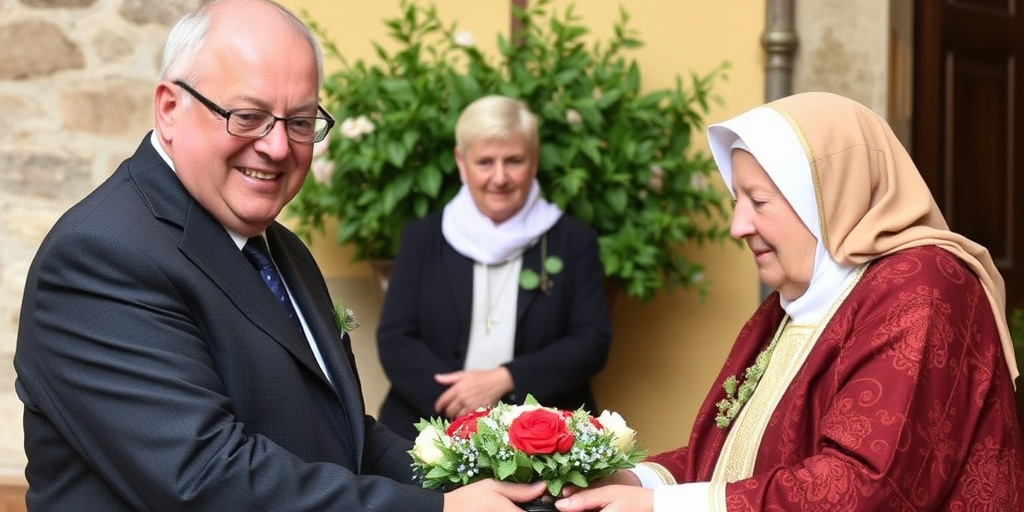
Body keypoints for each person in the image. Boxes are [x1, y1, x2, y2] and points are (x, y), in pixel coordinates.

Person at [13, 1, 547, 510]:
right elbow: (206, 477)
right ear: (170, 109)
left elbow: (343, 434)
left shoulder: (279, 246)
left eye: (300, 121)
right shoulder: (101, 255)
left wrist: (498, 481)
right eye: (247, 116)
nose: (277, 146)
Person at [555, 91, 1024, 511]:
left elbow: (867, 486)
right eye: (736, 200)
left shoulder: (922, 285)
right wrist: (631, 480)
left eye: (759, 202)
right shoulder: (794, 301)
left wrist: (659, 508)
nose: (738, 226)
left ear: (827, 199)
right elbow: (730, 459)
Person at [376, 95, 612, 440]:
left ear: (533, 161)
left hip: (544, 435)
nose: (499, 177)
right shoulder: (423, 237)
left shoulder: (572, 241)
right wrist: (461, 404)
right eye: (485, 162)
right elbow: (396, 339)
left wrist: (507, 379)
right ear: (461, 162)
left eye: (513, 160)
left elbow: (592, 340)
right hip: (429, 427)